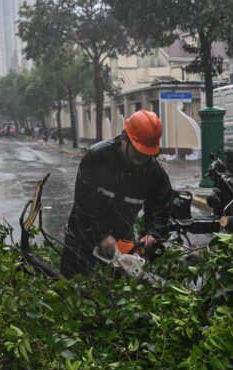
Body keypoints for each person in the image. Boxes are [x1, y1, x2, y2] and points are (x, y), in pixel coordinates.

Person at [61, 110, 173, 278]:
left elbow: (161, 207)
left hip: (121, 239)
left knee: (117, 294)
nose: (142, 158)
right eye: (138, 151)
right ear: (124, 138)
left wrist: (152, 234)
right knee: (73, 290)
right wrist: (101, 235)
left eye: (147, 154)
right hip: (82, 236)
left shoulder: (153, 172)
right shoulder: (97, 158)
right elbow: (84, 204)